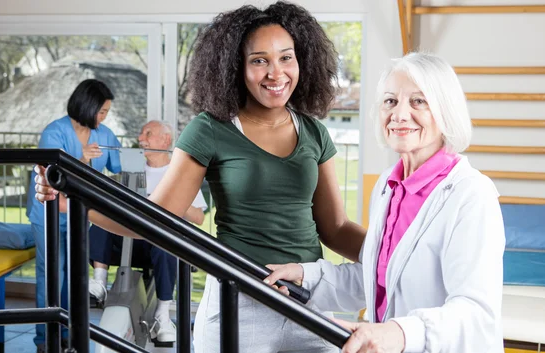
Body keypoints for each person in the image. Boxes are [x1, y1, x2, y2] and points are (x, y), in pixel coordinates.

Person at [34, 2, 366, 352]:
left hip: (307, 298)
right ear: (235, 67)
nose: (276, 73)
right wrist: (74, 201)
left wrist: (391, 252)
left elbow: (336, 228)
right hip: (239, 300)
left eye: (286, 57)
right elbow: (155, 219)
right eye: (259, 60)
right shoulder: (210, 129)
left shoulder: (314, 132)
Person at [265, 52, 506, 353]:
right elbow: (378, 278)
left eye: (419, 101)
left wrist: (398, 333)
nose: (400, 115)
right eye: (390, 101)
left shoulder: (471, 195)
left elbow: (475, 313)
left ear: (446, 111)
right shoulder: (387, 187)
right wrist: (307, 276)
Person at [87, 120, 207, 345]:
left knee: (165, 239)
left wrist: (168, 200)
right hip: (127, 241)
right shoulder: (133, 169)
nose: (141, 139)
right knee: (101, 222)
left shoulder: (179, 173)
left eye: (148, 134)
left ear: (166, 140)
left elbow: (199, 218)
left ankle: (163, 314)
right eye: (141, 134)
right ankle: (99, 283)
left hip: (157, 245)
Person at [26, 79, 122, 353]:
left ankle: (69, 332)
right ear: (87, 106)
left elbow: (119, 164)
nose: (104, 117)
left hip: (81, 217)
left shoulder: (103, 134)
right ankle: (46, 340)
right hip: (50, 215)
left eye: (106, 112)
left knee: (75, 276)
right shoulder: (54, 132)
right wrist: (81, 159)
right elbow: (51, 178)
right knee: (52, 276)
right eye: (102, 111)